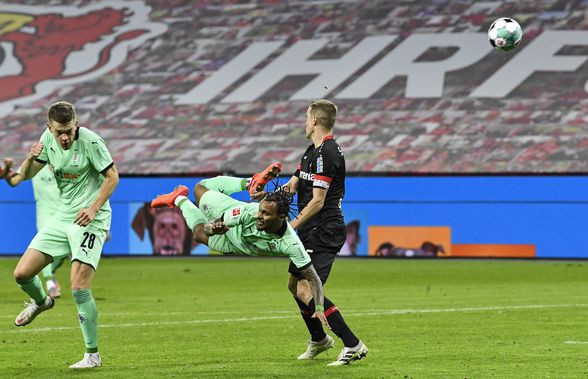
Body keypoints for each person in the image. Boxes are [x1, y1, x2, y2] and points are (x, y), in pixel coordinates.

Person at [150, 164, 330, 331]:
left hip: (236, 245)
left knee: (197, 235)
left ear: (281, 217)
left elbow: (313, 278)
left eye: (266, 214)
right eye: (260, 210)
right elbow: (208, 227)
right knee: (200, 189)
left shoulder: (291, 243)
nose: (260, 215)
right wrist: (213, 228)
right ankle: (250, 182)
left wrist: (320, 307)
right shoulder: (248, 212)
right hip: (228, 222)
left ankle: (179, 197)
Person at [11, 101, 119, 369]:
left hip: (91, 219)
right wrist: (29, 157)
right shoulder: (47, 139)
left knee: (79, 286)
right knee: (22, 274)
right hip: (63, 216)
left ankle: (92, 355)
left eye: (69, 130)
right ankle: (41, 302)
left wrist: (93, 209)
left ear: (76, 125)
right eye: (59, 131)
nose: (64, 137)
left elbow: (112, 177)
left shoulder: (91, 141)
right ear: (49, 127)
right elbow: (26, 176)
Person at [278, 99, 367, 366]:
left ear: (315, 120)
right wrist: (265, 199)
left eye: (307, 117)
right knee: (294, 284)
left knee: (307, 287)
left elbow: (318, 200)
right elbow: (291, 188)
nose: (305, 122)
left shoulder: (329, 154)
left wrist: (289, 226)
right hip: (309, 229)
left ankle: (353, 344)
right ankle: (319, 340)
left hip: (325, 229)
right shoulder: (311, 152)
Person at [1, 158, 66, 297]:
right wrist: (7, 168)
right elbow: (13, 181)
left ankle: (51, 271)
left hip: (64, 211)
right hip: (45, 212)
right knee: (46, 247)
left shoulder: (65, 164)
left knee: (64, 251)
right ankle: (50, 284)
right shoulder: (36, 165)